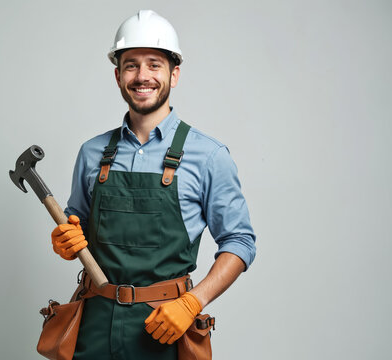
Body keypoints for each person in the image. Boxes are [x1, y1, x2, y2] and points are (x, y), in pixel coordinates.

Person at [50, 9, 256, 360]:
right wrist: (65, 241)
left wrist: (192, 303)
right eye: (131, 65)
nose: (142, 76)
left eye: (154, 64)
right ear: (117, 76)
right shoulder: (91, 153)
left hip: (165, 326)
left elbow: (240, 241)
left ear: (174, 75)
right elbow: (77, 224)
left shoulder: (208, 156)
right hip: (93, 326)